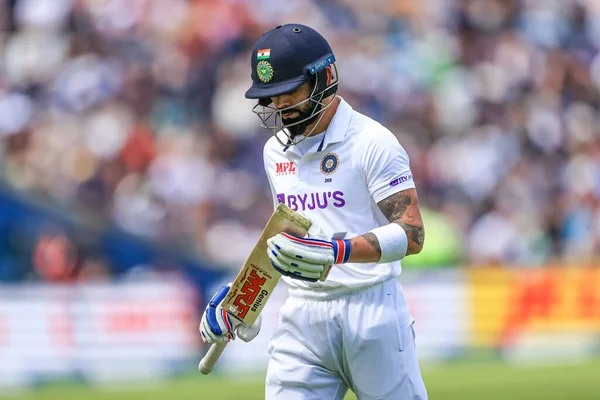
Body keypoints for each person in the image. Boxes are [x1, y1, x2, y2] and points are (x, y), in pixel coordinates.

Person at [200, 23, 428, 400]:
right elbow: (286, 237)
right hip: (303, 315)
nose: (279, 106)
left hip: (371, 310)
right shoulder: (275, 151)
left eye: (288, 92)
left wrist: (336, 251)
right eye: (271, 97)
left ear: (324, 78)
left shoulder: (372, 142)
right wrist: (243, 300)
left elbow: (413, 234)